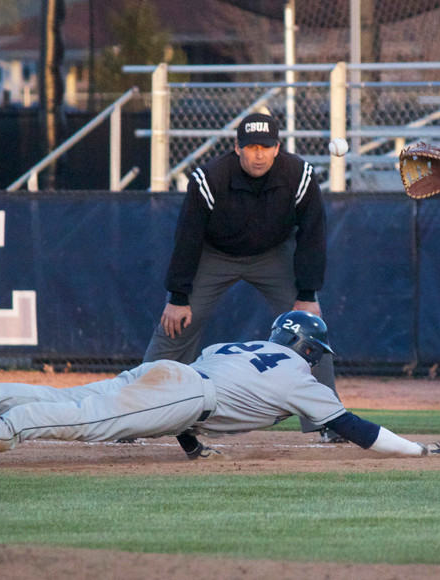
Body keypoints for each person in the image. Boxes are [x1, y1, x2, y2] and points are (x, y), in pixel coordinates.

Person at [0, 311, 440, 466]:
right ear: (304, 345)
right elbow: (354, 429)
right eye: (313, 351)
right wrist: (417, 448)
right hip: (186, 392)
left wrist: (195, 446)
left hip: (172, 375)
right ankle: (0, 430)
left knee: (73, 397)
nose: (314, 360)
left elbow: (188, 411)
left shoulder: (239, 346)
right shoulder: (298, 376)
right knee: (89, 420)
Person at [144, 112, 344, 443]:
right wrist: (178, 297)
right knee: (175, 327)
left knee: (309, 330)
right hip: (215, 255)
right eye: (250, 147)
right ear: (237, 148)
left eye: (266, 147)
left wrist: (307, 294)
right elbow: (188, 237)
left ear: (278, 148)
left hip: (273, 255)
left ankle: (328, 421)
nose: (258, 154)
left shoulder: (299, 175)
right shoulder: (210, 178)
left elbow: (312, 235)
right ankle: (135, 409)